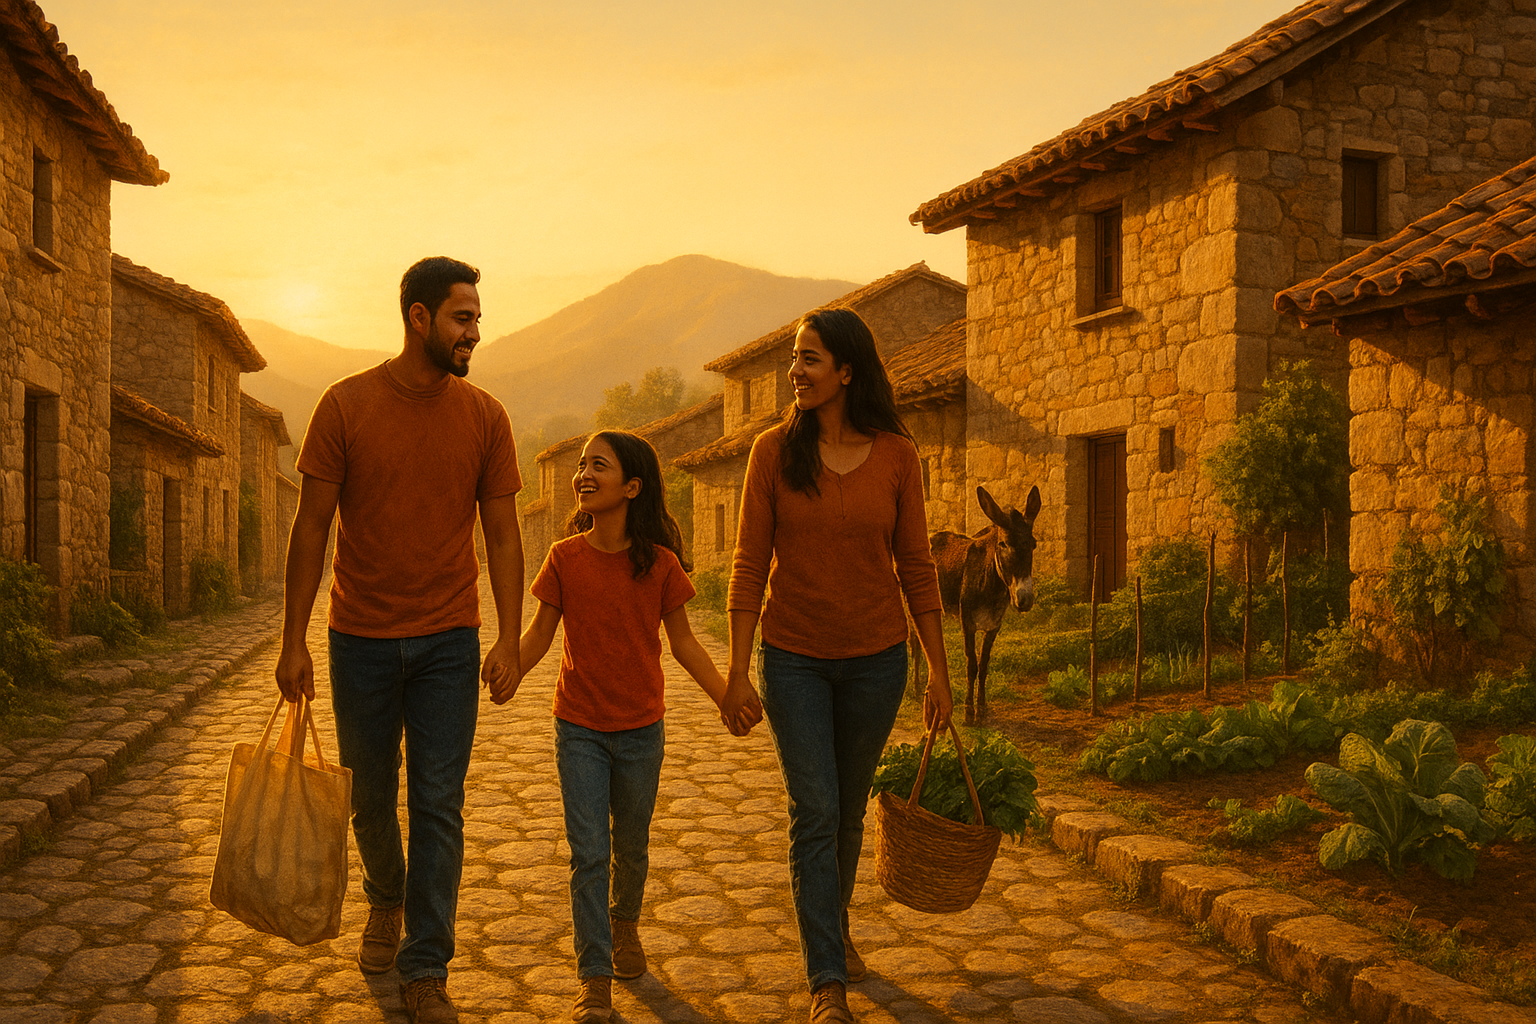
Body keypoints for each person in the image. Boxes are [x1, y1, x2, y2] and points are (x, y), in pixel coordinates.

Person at [275, 256, 524, 1024]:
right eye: (462, 317)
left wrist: (510, 639)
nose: (474, 332)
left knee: (440, 806)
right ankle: (386, 896)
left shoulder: (485, 416)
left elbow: (506, 539)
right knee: (372, 802)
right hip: (361, 640)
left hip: (451, 637)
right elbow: (310, 528)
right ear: (419, 317)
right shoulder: (345, 407)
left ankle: (426, 968)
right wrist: (293, 642)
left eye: (477, 318)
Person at [720, 307, 953, 1024]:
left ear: (846, 371)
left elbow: (915, 567)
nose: (796, 370)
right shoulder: (770, 453)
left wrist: (938, 672)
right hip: (793, 659)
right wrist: (735, 671)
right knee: (814, 809)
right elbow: (750, 562)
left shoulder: (896, 457)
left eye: (810, 358)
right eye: (795, 357)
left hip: (878, 661)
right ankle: (827, 980)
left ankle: (835, 925)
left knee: (849, 811)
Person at [514, 430, 761, 1023]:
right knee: (588, 853)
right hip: (578, 727)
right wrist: (505, 669)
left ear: (631, 487)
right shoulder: (564, 559)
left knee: (632, 845)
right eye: (580, 465)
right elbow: (540, 638)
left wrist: (728, 695)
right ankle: (593, 974)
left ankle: (625, 925)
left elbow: (684, 645)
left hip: (641, 730)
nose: (583, 474)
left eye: (598, 465)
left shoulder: (661, 565)